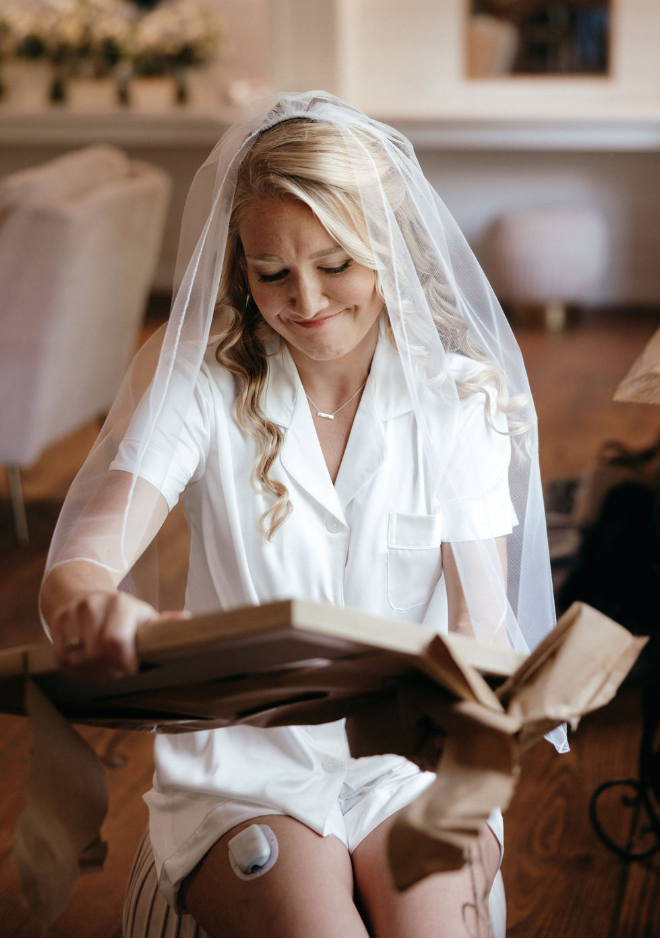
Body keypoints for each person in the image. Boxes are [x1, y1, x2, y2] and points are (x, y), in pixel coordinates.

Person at [40, 91, 564, 938]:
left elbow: (480, 622)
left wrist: (469, 715)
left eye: (336, 263)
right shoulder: (202, 378)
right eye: (271, 272)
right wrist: (87, 603)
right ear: (239, 266)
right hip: (242, 764)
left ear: (387, 246)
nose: (308, 300)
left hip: (409, 763)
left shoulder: (457, 398)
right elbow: (83, 561)